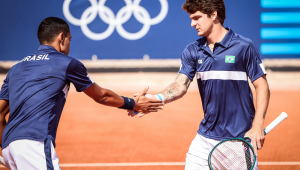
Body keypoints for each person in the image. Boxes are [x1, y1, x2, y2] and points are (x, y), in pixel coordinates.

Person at [0, 17, 164, 170]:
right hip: (35, 143)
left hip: (8, 147)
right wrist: (133, 103)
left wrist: (11, 148)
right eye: (69, 40)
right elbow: (101, 96)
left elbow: (0, 113)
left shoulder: (15, 69)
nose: (70, 45)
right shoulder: (67, 63)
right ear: (61, 37)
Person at [130, 0, 270, 169]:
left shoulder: (244, 46)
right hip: (205, 141)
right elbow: (180, 85)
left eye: (196, 18)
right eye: (191, 18)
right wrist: (156, 98)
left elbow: (261, 86)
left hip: (239, 142)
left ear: (214, 14)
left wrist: (258, 125)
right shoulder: (192, 51)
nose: (192, 24)